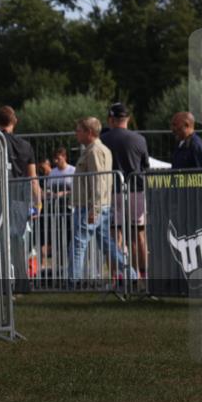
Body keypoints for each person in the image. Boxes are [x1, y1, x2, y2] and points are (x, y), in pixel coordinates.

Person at [68, 117, 136, 287]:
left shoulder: (94, 151)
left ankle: (73, 282)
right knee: (107, 244)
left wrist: (95, 209)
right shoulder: (97, 149)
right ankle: (132, 275)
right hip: (97, 206)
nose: (76, 133)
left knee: (78, 242)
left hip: (90, 206)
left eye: (79, 130)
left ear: (89, 132)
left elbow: (99, 181)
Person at [0, 106, 41, 295]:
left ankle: (1, 283)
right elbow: (33, 179)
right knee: (18, 240)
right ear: (14, 121)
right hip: (20, 198)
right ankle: (21, 283)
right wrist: (38, 203)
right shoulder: (26, 146)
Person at [100, 102, 151, 279]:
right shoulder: (140, 139)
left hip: (111, 192)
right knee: (139, 236)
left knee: (115, 237)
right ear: (127, 119)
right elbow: (145, 166)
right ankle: (142, 276)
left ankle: (117, 277)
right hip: (136, 190)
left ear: (111, 119)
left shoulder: (103, 139)